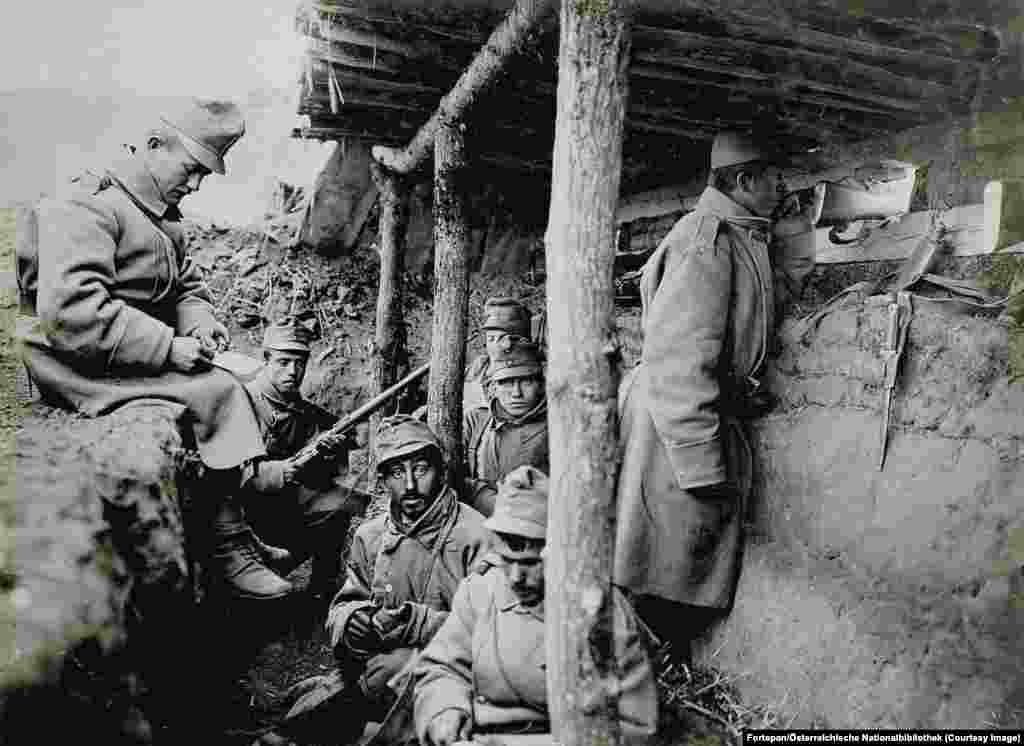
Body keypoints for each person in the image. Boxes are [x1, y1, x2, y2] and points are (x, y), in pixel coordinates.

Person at [14, 97, 290, 599]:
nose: (195, 184)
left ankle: (235, 528)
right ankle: (227, 545)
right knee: (218, 393)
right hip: (77, 360)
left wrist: (200, 324)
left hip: (122, 352)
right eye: (191, 168)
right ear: (152, 146)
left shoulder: (162, 217)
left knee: (238, 382)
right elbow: (72, 313)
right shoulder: (88, 204)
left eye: (205, 175)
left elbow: (187, 288)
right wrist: (168, 347)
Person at [613, 131, 825, 661]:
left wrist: (796, 230)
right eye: (775, 178)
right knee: (669, 546)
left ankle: (652, 657)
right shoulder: (705, 242)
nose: (782, 188)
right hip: (678, 412)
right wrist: (700, 459)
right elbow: (681, 359)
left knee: (680, 545)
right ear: (745, 180)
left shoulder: (741, 236)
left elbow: (774, 298)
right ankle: (637, 667)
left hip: (693, 405)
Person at [276, 415, 489, 745]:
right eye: (396, 473)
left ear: (441, 471)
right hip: (373, 672)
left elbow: (491, 635)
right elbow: (346, 600)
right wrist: (353, 620)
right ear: (382, 480)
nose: (410, 486)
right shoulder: (371, 536)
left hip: (451, 681)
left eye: (420, 469)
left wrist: (415, 628)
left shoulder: (475, 535)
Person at [413, 466, 658, 746]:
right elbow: (442, 668)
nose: (516, 577)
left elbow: (635, 727)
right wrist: (445, 712)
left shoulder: (600, 610)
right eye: (507, 559)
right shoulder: (480, 593)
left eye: (530, 562)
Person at [242, 319, 373, 601]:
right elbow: (226, 469)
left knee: (340, 503)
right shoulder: (241, 402)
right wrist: (279, 471)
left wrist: (325, 452)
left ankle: (320, 592)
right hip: (244, 514)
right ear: (266, 359)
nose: (293, 371)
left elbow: (340, 452)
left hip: (282, 508)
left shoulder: (303, 411)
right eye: (283, 362)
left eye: (300, 363)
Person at [462, 341, 549, 517]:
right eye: (507, 383)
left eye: (526, 382)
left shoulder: (556, 429)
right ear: (494, 387)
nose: (516, 393)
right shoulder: (478, 421)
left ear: (540, 385)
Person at [464, 297, 532, 410]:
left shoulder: (526, 372)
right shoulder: (478, 367)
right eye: (491, 338)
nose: (494, 345)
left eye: (501, 338)